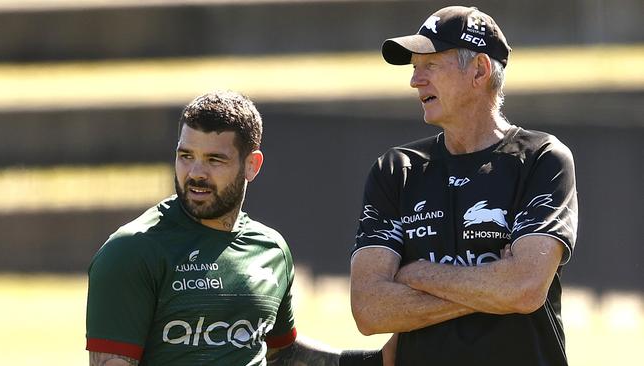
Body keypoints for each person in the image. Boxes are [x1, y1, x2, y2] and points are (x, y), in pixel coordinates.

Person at [86, 91, 386, 366]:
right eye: (185, 156)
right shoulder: (131, 251)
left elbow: (282, 353)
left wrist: (375, 361)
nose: (196, 173)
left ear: (252, 165)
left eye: (214, 160)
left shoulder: (271, 249)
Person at [350, 5, 578, 366]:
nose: (415, 80)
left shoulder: (542, 158)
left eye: (430, 65)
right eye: (414, 68)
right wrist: (494, 287)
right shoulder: (397, 169)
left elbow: (525, 288)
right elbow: (369, 309)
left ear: (479, 71)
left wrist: (417, 274)